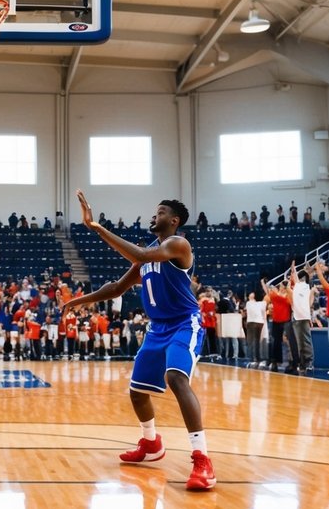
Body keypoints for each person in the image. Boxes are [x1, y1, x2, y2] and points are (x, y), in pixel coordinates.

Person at [63, 190, 215, 491]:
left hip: (185, 324)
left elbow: (142, 256)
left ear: (173, 221)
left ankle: (202, 459)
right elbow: (117, 288)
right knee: (137, 392)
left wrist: (96, 227)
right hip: (158, 328)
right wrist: (78, 301)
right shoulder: (147, 256)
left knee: (176, 378)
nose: (153, 216)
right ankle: (151, 443)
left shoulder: (177, 245)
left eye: (159, 212)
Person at [288, 263, 314, 372]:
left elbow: (310, 304)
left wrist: (293, 267)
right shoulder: (298, 287)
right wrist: (293, 267)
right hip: (297, 317)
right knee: (300, 343)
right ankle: (303, 364)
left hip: (304, 317)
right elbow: (294, 275)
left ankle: (309, 363)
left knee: (306, 341)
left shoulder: (308, 288)